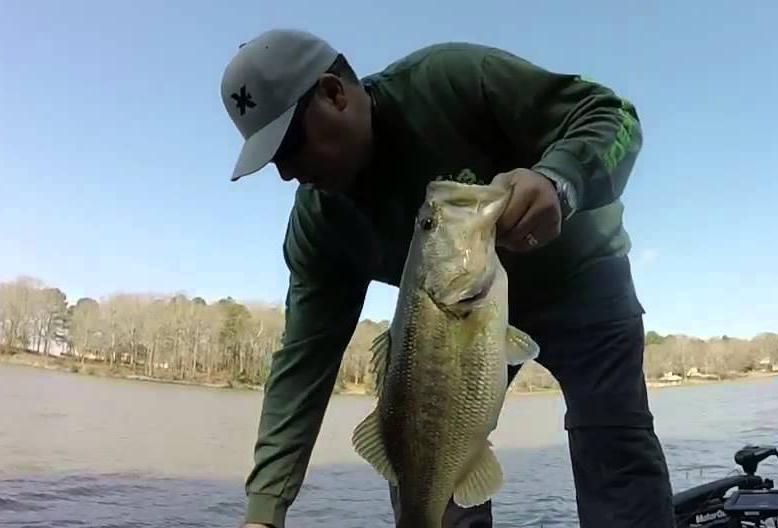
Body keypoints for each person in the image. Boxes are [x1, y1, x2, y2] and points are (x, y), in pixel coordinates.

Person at [220, 29, 675, 528]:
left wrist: (560, 181)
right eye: (273, 159)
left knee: (613, 442)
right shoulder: (319, 222)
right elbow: (302, 365)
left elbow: (611, 114)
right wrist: (264, 511)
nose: (286, 173)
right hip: (449, 329)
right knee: (422, 464)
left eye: (290, 144)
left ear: (334, 93)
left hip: (581, 278)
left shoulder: (450, 80)